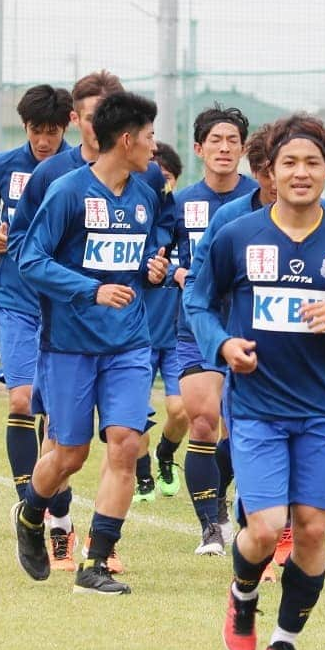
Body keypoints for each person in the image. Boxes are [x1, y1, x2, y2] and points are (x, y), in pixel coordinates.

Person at [184, 113, 325, 650]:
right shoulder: (237, 236)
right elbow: (197, 302)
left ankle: (284, 640)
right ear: (269, 172)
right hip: (256, 408)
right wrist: (222, 345)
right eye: (289, 163)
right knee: (267, 528)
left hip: (322, 410)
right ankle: (242, 597)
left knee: (314, 529)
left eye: (312, 163)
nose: (301, 173)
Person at [7, 69, 173, 573]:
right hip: (70, 345)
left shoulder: (145, 194)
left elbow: (138, 265)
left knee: (126, 443)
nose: (153, 145)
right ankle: (31, 515)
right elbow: (31, 260)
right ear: (126, 139)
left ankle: (96, 562)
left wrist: (153, 271)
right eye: (148, 137)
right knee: (70, 454)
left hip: (128, 344)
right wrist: (91, 289)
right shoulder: (66, 191)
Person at [0, 85, 72, 507]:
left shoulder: (78, 170)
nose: (44, 140)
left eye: (52, 130)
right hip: (16, 299)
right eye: (36, 130)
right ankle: (25, 502)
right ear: (25, 127)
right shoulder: (3, 166)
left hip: (63, 304)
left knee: (52, 412)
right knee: (20, 399)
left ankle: (47, 500)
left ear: (67, 126)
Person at [173, 104, 257, 556]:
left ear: (244, 149)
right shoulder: (180, 204)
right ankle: (211, 527)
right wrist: (169, 269)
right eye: (216, 141)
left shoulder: (261, 200)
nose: (224, 148)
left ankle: (225, 500)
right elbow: (158, 252)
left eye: (233, 141)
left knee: (235, 428)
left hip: (247, 328)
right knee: (203, 420)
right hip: (193, 327)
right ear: (199, 148)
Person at [133, 142, 187, 502]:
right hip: (140, 334)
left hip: (179, 335)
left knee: (182, 410)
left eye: (166, 179)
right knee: (133, 416)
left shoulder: (182, 221)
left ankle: (166, 454)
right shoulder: (137, 223)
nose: (160, 186)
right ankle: (142, 476)